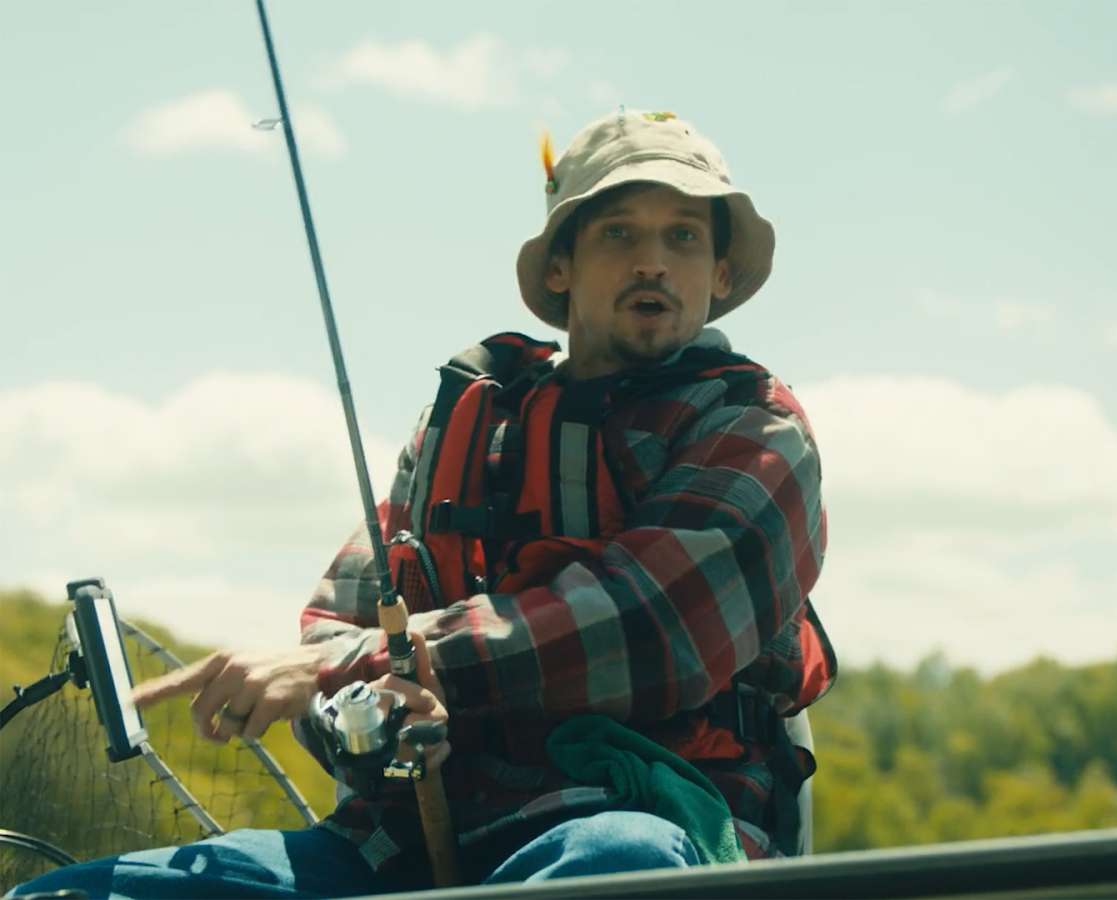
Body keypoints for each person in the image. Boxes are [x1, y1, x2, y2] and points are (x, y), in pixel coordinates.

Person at [9, 110, 835, 899]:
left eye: (683, 237)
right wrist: (366, 714)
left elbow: (652, 627)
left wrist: (363, 664)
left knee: (614, 862)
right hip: (398, 844)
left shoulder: (757, 431)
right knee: (76, 894)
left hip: (643, 820)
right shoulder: (463, 423)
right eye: (619, 233)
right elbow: (338, 625)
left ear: (721, 274)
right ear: (560, 268)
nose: (653, 262)